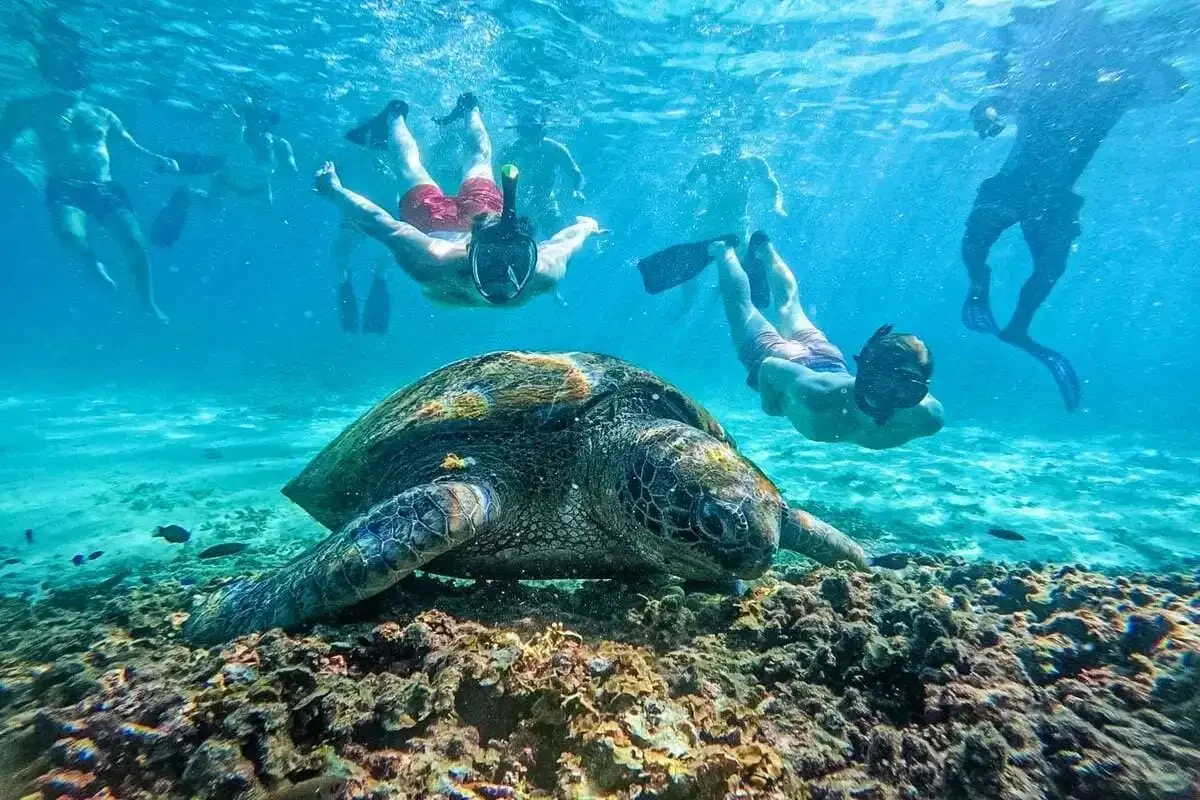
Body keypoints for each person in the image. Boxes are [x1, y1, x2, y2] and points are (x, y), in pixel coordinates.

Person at [960, 0, 1189, 411]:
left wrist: (1139, 55)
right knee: (990, 244)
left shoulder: (1113, 91)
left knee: (1043, 264)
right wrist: (988, 112)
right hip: (1026, 189)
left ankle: (1017, 326)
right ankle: (981, 289)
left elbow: (1176, 86)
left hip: (1042, 194)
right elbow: (993, 101)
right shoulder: (1064, 89)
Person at [316, 93, 600, 308]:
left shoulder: (433, 265)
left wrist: (335, 191)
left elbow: (382, 224)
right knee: (417, 165)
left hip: (462, 216)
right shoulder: (435, 261)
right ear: (468, 250)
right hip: (445, 219)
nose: (503, 273)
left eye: (515, 259)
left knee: (424, 164)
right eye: (493, 259)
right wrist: (587, 226)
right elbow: (568, 241)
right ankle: (403, 116)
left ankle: (454, 111)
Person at [714, 234, 943, 450]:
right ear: (863, 371)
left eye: (907, 388)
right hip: (786, 358)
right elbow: (769, 366)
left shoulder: (929, 417)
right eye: (881, 383)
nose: (888, 398)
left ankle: (764, 247)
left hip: (828, 360)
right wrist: (769, 404)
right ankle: (723, 248)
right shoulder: (816, 394)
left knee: (789, 307)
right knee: (741, 309)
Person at [0, 45, 177, 322]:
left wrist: (159, 159)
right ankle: (92, 268)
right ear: (52, 72)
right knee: (69, 234)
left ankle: (148, 303)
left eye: (78, 69)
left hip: (104, 187)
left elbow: (131, 146)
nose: (75, 74)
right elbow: (5, 139)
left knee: (134, 241)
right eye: (68, 68)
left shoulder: (102, 113)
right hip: (64, 186)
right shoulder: (31, 107)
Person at [150, 95, 298, 250]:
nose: (257, 125)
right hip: (225, 183)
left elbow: (291, 171)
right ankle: (182, 194)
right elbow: (237, 156)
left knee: (269, 220)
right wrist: (234, 130)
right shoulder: (234, 134)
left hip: (259, 190)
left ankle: (183, 193)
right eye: (251, 118)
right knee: (211, 206)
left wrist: (287, 167)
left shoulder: (279, 145)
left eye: (266, 120)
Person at [676, 130, 786, 314]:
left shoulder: (753, 163)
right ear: (722, 143)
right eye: (727, 143)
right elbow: (686, 183)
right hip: (708, 220)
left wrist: (777, 206)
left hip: (737, 224)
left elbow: (774, 187)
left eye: (734, 144)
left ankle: (717, 296)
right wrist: (690, 196)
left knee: (742, 266)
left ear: (741, 145)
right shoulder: (708, 160)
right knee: (688, 263)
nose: (730, 147)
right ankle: (688, 303)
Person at [329, 136, 399, 334]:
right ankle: (349, 288)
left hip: (382, 216)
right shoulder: (350, 159)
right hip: (360, 217)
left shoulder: (389, 159)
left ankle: (367, 289)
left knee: (379, 270)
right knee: (341, 261)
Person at [498, 112, 585, 232]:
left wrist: (577, 190)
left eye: (534, 134)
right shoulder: (511, 149)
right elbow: (497, 172)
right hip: (518, 204)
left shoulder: (555, 149)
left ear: (542, 132)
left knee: (558, 235)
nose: (530, 140)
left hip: (546, 203)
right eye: (525, 134)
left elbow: (576, 173)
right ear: (520, 133)